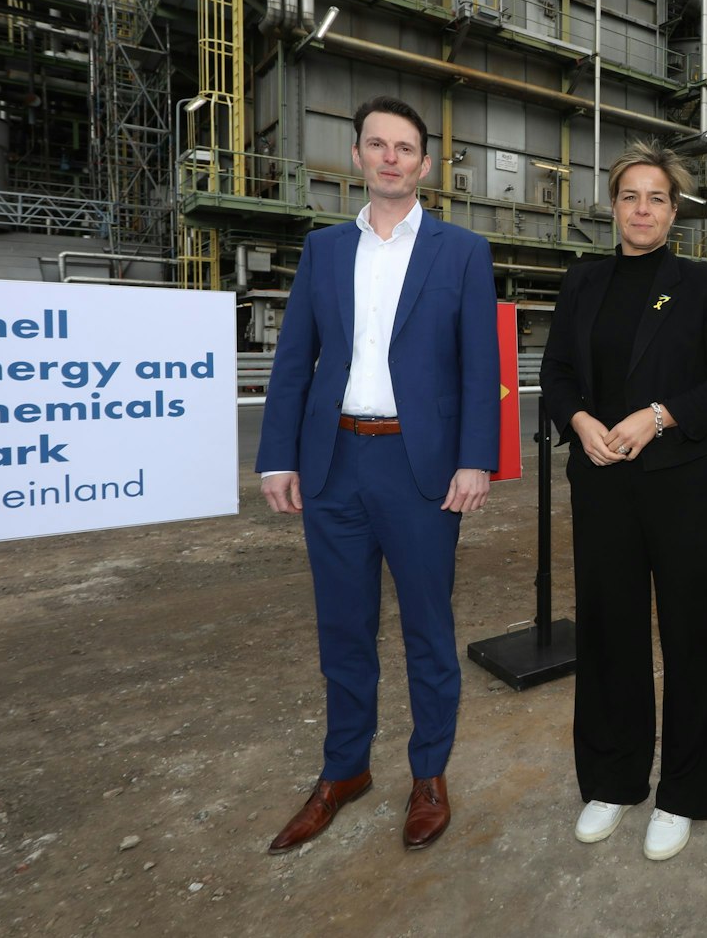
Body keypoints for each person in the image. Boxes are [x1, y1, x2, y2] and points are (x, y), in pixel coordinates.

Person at [256, 95, 500, 855]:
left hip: (418, 467)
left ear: (425, 166)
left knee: (429, 628)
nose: (391, 156)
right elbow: (296, 358)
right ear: (357, 156)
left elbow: (478, 366)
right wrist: (277, 453)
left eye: (405, 147)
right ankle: (343, 770)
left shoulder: (461, 251)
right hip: (333, 463)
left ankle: (429, 773)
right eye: (377, 144)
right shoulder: (324, 250)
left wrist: (475, 458)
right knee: (342, 629)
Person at [540, 140, 707, 862]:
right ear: (613, 204)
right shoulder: (582, 282)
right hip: (603, 485)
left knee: (694, 635)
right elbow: (559, 371)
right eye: (630, 195)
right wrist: (578, 420)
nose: (641, 208)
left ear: (673, 210)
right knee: (609, 633)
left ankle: (686, 791)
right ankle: (613, 778)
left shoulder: (703, 284)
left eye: (656, 197)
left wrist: (658, 415)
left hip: (687, 485)